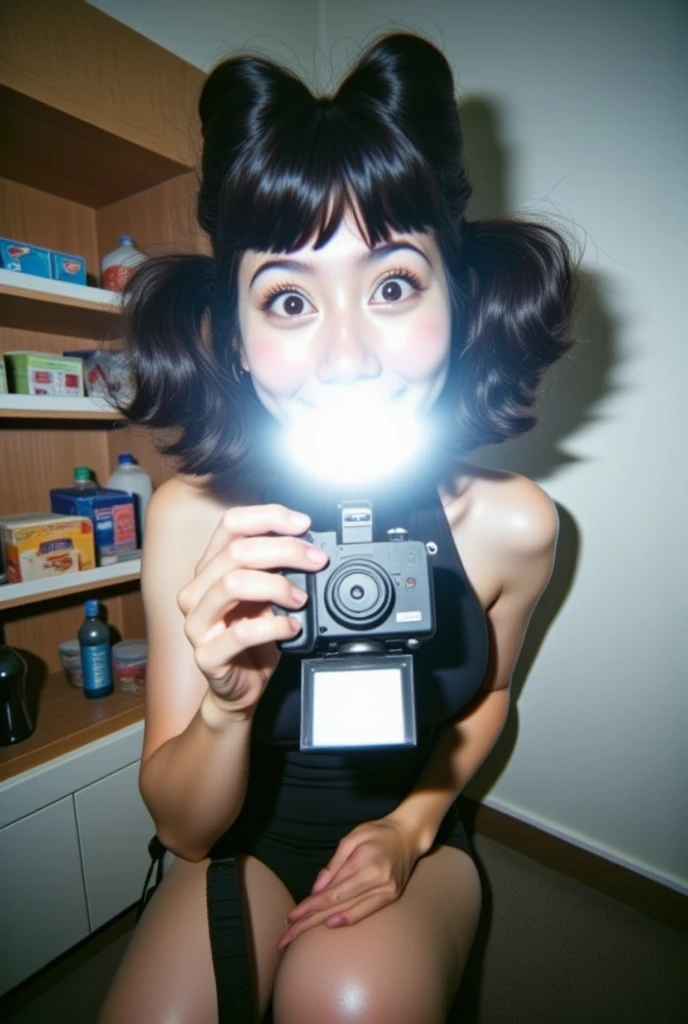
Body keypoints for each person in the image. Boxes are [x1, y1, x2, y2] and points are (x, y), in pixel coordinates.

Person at [98, 31, 577, 1024]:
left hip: (407, 835)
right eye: (287, 299)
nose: (347, 354)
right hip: (241, 841)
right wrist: (228, 706)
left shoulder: (515, 525)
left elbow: (487, 698)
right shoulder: (194, 517)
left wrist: (412, 824)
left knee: (348, 1003)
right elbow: (183, 830)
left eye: (393, 284)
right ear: (234, 335)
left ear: (462, 293)